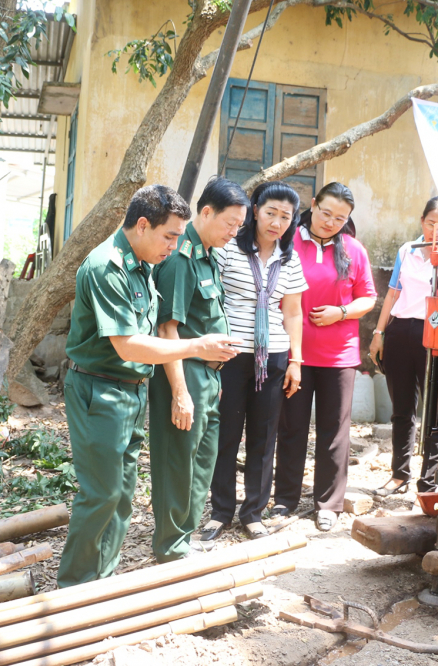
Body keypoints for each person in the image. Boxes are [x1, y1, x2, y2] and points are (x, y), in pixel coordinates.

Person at [57, 184, 241, 587]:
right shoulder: (106, 266)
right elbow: (127, 343)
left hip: (130, 391)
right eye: (169, 236)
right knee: (101, 494)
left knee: (121, 497)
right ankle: (74, 588)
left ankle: (102, 578)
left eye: (178, 237)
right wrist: (197, 346)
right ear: (142, 225)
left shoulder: (141, 263)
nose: (174, 245)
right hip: (99, 390)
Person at [150, 176, 250, 562]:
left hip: (207, 375)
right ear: (206, 212)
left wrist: (214, 375)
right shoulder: (180, 258)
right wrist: (180, 390)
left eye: (240, 226)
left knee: (203, 461)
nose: (234, 231)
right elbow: (167, 328)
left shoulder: (208, 254)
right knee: (178, 462)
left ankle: (184, 538)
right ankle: (171, 547)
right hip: (184, 372)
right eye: (230, 223)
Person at [202, 181, 307, 542]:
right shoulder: (228, 248)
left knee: (263, 438)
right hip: (231, 355)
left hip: (274, 357)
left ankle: (253, 513)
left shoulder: (289, 258)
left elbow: (292, 312)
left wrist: (296, 360)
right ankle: (220, 512)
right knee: (226, 435)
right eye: (270, 213)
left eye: (286, 216)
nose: (277, 222)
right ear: (256, 210)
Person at [272, 182, 378, 531]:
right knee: (291, 427)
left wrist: (342, 312)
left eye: (340, 217)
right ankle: (285, 499)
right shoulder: (288, 242)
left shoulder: (353, 249)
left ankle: (328, 504)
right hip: (294, 354)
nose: (331, 222)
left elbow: (368, 298)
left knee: (335, 432)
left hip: (339, 355)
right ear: (313, 205)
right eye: (326, 213)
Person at [368, 196, 438, 496]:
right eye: (431, 223)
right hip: (400, 331)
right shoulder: (408, 250)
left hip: (436, 335)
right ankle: (399, 474)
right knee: (402, 409)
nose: (436, 230)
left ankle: (429, 480)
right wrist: (379, 332)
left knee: (436, 411)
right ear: (422, 222)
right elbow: (393, 294)